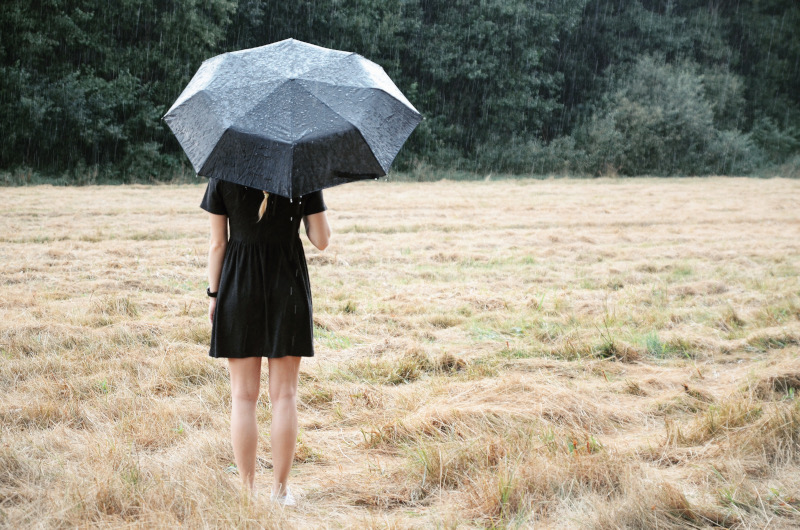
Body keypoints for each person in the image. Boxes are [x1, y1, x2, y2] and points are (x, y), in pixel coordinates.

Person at [200, 178, 331, 506]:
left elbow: (218, 244)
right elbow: (322, 240)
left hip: (238, 286)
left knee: (243, 397)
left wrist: (214, 295)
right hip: (287, 286)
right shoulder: (301, 176)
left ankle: (247, 492)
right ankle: (280, 492)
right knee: (284, 395)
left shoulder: (223, 175)